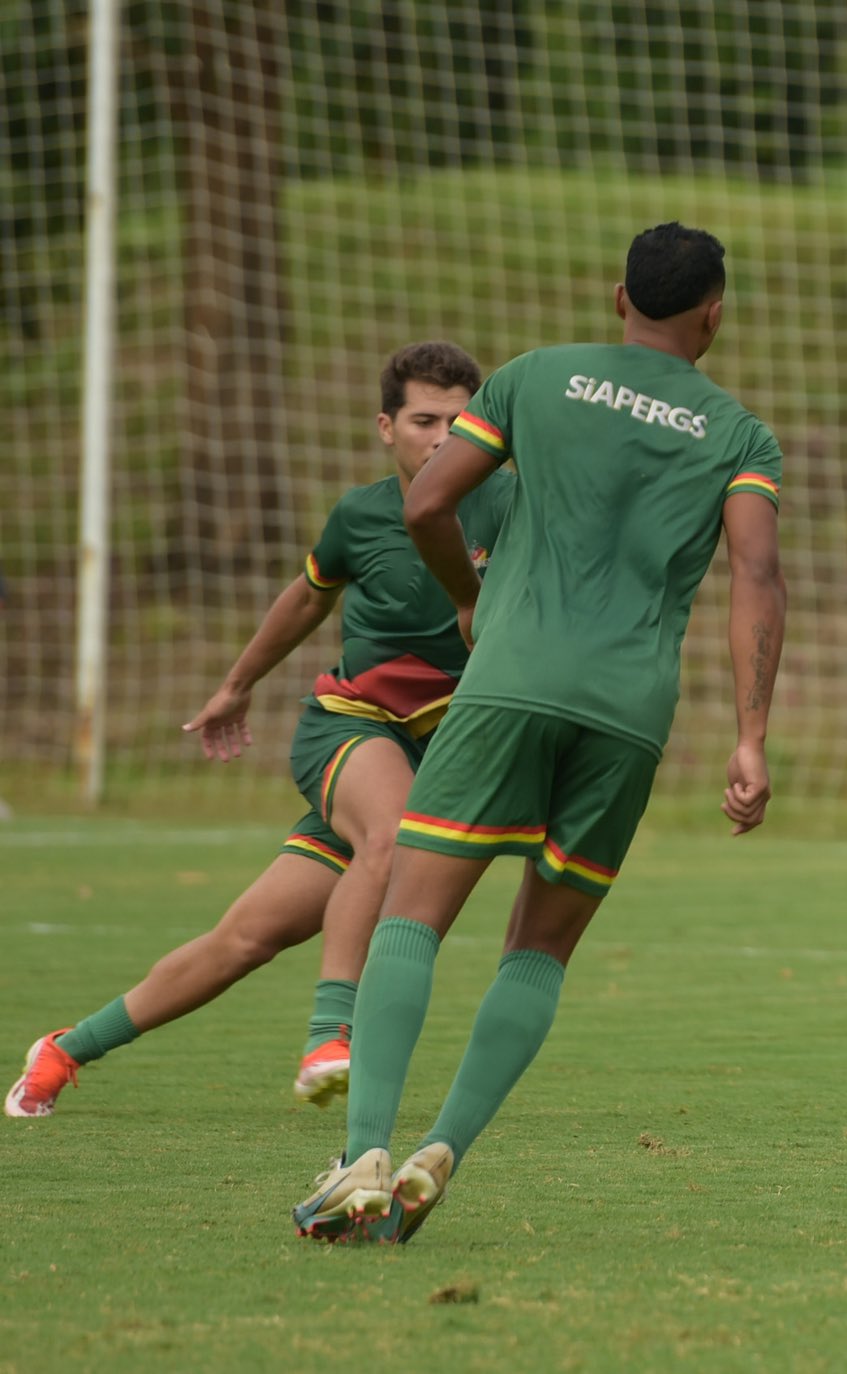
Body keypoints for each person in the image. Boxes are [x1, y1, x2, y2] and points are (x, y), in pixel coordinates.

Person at [291, 223, 787, 1243]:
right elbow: (757, 575)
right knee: (540, 948)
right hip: (627, 717)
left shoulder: (529, 380)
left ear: (619, 299)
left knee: (411, 917)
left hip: (508, 687)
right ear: (714, 315)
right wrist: (751, 737)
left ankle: (366, 1153)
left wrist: (470, 600)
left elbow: (428, 504)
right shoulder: (740, 438)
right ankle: (443, 1150)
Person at [6, 342, 513, 1118]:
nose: (443, 437)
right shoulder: (360, 515)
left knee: (244, 939)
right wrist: (236, 687)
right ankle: (328, 1037)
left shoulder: (511, 505)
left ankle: (65, 1049)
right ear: (386, 427)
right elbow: (306, 599)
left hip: (439, 753)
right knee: (388, 838)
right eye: (423, 421)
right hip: (350, 728)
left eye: (458, 420)